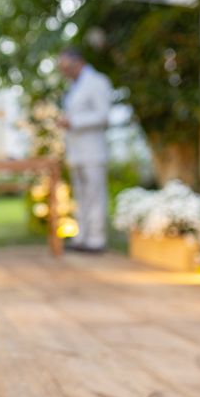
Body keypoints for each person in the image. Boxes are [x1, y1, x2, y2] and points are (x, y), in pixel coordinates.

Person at [57, 47, 112, 253]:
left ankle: (97, 239)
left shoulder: (98, 82)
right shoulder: (72, 86)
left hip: (93, 151)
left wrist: (73, 122)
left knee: (95, 194)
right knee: (80, 195)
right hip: (76, 151)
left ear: (77, 62)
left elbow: (103, 116)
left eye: (66, 67)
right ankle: (83, 237)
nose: (64, 72)